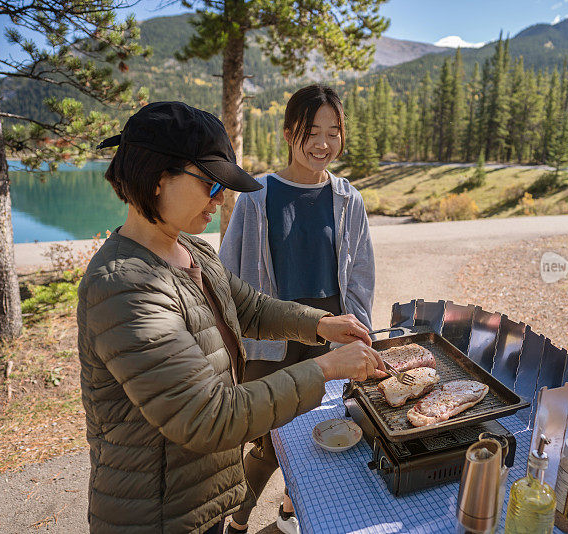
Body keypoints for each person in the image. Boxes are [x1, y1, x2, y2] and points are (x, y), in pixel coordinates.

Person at [78, 101, 384, 534]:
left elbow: (250, 307)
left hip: (198, 498)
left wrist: (320, 324)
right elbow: (210, 417)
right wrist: (327, 366)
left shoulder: (192, 250)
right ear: (159, 176)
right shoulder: (126, 286)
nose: (221, 197)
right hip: (158, 514)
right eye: (210, 183)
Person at [219, 84, 374, 534]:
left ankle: (290, 513)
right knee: (271, 442)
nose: (324, 144)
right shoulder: (257, 197)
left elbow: (360, 274)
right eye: (312, 132)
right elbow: (230, 274)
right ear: (289, 133)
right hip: (272, 337)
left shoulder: (348, 199)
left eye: (333, 132)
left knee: (326, 435)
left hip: (333, 334)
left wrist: (361, 331)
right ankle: (237, 519)